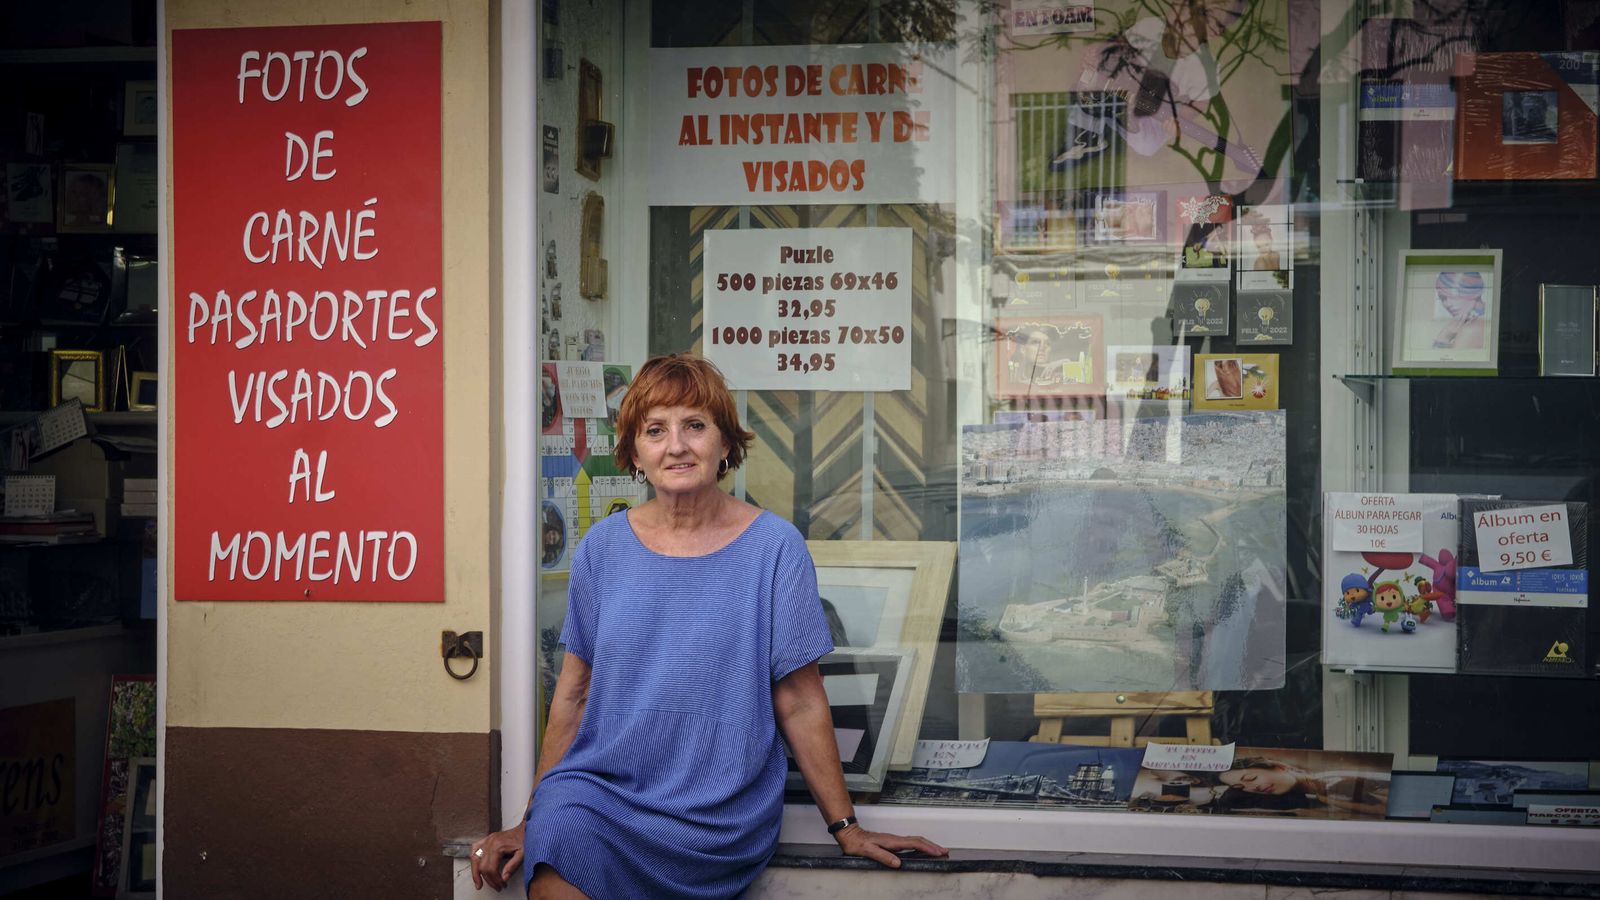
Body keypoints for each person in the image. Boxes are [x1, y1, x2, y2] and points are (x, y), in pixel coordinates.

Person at [471, 354, 946, 898]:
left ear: (725, 445)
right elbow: (573, 695)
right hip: (599, 791)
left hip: (719, 811)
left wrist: (846, 827)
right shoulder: (602, 549)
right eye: (656, 430)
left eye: (695, 425)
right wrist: (530, 818)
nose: (677, 445)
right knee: (558, 848)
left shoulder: (774, 548)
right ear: (634, 452)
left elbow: (801, 699)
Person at [1208, 756, 1389, 818]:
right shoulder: (1317, 793)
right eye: (1241, 787)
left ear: (1279, 767)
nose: (1251, 787)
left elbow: (1385, 808)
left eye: (1251, 777)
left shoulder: (1331, 784)